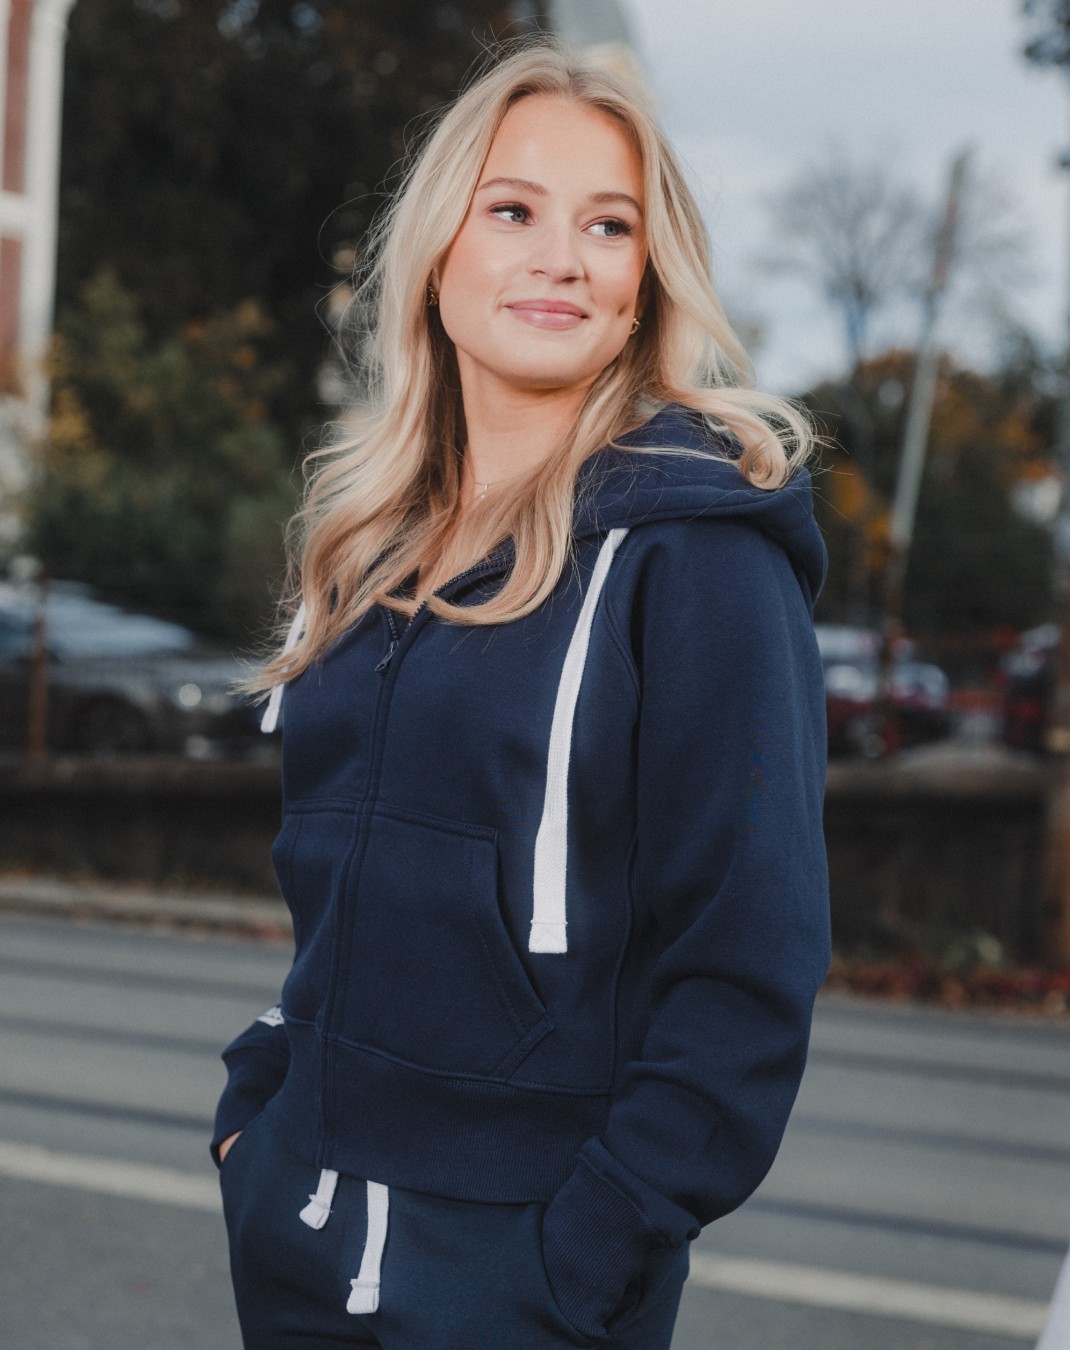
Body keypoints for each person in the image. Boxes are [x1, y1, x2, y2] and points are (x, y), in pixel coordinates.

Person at [211, 38, 831, 1350]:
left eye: (609, 225)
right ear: (439, 257)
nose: (563, 257)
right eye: (513, 210)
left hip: (523, 1273)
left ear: (644, 282)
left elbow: (750, 956)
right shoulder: (369, 552)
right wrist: (257, 1104)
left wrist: (592, 1245)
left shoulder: (700, 557)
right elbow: (338, 884)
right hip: (298, 1229)